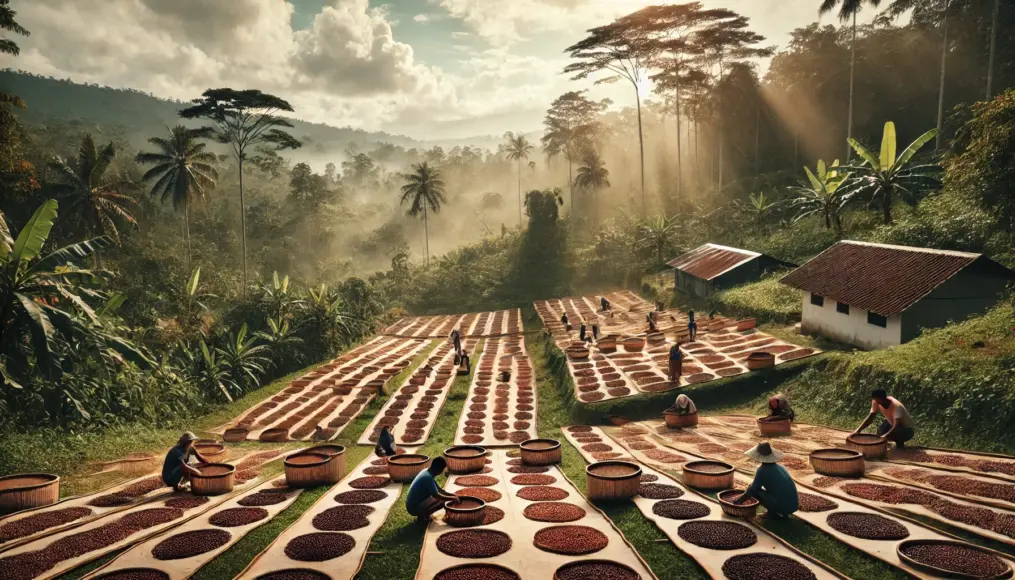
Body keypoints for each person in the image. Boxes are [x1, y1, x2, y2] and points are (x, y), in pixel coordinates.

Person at [735, 442, 799, 518]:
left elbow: (752, 489)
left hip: (784, 506)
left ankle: (772, 513)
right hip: (794, 505)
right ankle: (777, 511)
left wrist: (738, 501)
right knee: (768, 491)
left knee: (754, 490)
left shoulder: (763, 470)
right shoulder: (780, 467)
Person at [406, 457, 458, 524]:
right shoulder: (428, 478)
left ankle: (422, 515)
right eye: (442, 469)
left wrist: (452, 495)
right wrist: (452, 498)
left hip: (411, 504)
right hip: (413, 508)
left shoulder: (426, 471)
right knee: (442, 501)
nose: (442, 472)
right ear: (439, 470)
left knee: (442, 498)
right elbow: (437, 495)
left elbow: (439, 490)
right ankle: (423, 517)